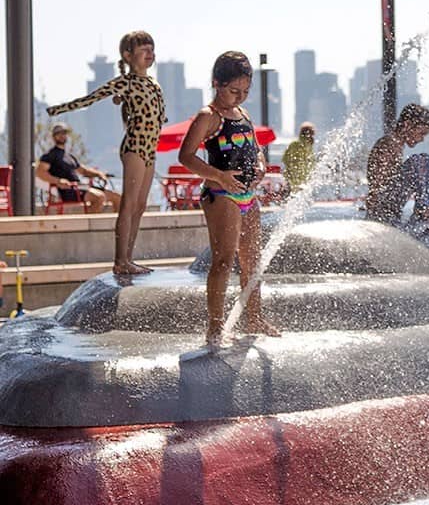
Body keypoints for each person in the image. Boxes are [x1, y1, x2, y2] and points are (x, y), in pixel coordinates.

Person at [179, 51, 280, 347]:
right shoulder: (209, 116)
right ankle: (215, 325)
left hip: (248, 195)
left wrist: (261, 164)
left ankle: (255, 317)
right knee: (223, 260)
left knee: (252, 262)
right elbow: (185, 156)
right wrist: (220, 177)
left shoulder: (244, 115)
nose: (240, 97)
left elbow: (256, 147)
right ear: (216, 83)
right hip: (221, 194)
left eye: (246, 92)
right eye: (234, 91)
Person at [46, 30, 166, 275]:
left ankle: (129, 258)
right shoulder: (126, 82)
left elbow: (159, 115)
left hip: (150, 149)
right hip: (134, 147)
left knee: (141, 205)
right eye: (144, 50)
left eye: (152, 50)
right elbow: (91, 98)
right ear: (128, 55)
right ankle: (120, 260)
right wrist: (58, 110)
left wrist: (126, 103)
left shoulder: (154, 83)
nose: (150, 54)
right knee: (129, 203)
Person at [365, 104, 429, 224]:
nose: (422, 139)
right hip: (382, 210)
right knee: (423, 160)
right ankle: (423, 211)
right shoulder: (389, 144)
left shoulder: (396, 144)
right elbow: (377, 182)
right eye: (421, 133)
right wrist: (373, 201)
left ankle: (422, 212)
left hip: (389, 209)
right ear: (407, 125)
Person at [36, 122, 122, 215]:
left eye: (64, 133)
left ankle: (117, 226)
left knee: (117, 197)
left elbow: (83, 171)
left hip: (81, 187)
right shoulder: (50, 156)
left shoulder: (69, 156)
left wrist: (99, 174)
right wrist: (58, 181)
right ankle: (90, 225)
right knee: (99, 197)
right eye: (59, 133)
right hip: (69, 190)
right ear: (54, 136)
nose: (62, 136)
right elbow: (40, 173)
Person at [282, 121, 317, 195]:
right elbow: (312, 164)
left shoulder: (294, 144)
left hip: (292, 179)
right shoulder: (309, 147)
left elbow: (284, 159)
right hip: (305, 180)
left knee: (292, 200)